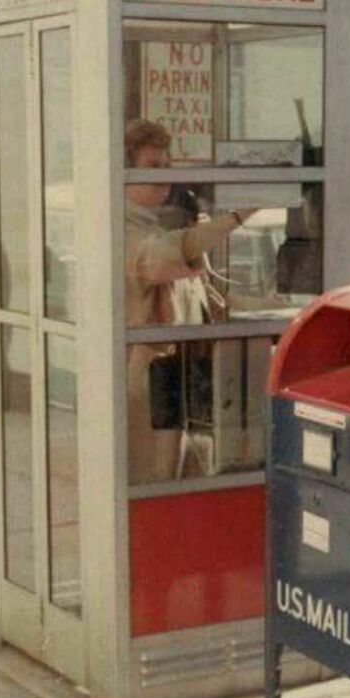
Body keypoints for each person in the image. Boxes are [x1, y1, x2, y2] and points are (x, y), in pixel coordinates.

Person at [124, 119, 248, 484]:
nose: (163, 177)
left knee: (182, 477)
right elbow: (168, 256)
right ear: (125, 172)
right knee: (157, 477)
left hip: (183, 378)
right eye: (151, 167)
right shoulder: (124, 232)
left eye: (166, 167)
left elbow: (209, 296)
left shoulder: (154, 224)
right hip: (152, 380)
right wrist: (239, 215)